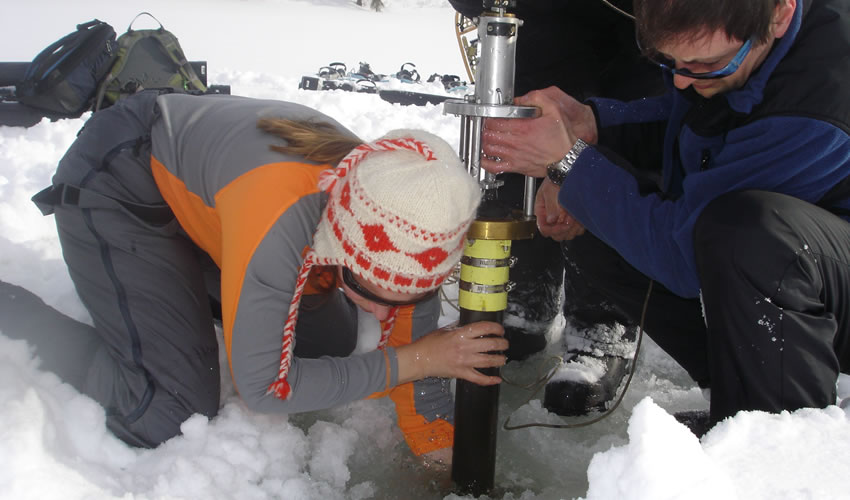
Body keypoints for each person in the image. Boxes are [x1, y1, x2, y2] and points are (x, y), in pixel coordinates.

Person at [4, 90, 508, 459]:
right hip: (121, 184)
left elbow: (409, 338)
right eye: (366, 290)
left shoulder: (405, 217)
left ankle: (178, 298)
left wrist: (441, 453)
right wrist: (416, 360)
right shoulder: (282, 219)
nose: (382, 312)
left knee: (328, 344)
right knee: (166, 410)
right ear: (341, 242)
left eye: (398, 300)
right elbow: (266, 387)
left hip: (215, 206)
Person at [477, 0, 850, 430]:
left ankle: (774, 437)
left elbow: (687, 260)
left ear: (780, 14)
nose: (680, 81)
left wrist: (569, 164)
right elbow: (694, 122)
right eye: (667, 62)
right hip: (806, 272)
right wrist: (593, 123)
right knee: (600, 219)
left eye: (705, 64)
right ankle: (738, 396)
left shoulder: (819, 104)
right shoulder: (739, 49)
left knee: (749, 235)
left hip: (822, 274)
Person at [448, 0, 665, 416]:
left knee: (623, 131)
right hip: (542, 21)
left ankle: (601, 324)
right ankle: (524, 303)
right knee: (526, 117)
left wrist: (571, 166)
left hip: (632, 22)